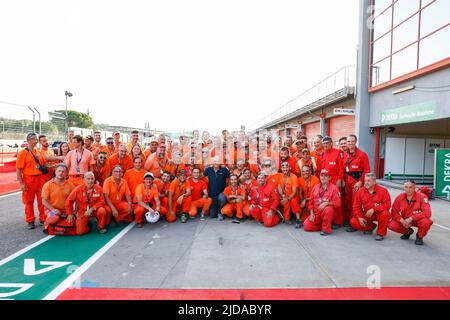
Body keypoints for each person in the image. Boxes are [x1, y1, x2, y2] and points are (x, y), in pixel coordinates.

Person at [16, 133, 47, 229]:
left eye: (37, 139)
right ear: (29, 140)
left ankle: (43, 218)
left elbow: (43, 164)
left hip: (40, 178)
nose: (37, 141)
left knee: (42, 200)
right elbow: (18, 169)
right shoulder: (22, 153)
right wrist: (21, 183)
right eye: (35, 139)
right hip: (28, 179)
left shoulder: (38, 151)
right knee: (28, 201)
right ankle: (30, 220)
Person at [388, 180, 433, 245]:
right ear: (403, 188)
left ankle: (419, 236)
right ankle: (408, 232)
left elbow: (427, 213)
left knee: (426, 222)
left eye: (410, 187)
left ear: (415, 188)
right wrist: (402, 221)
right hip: (405, 220)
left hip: (418, 220)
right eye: (406, 187)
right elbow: (394, 212)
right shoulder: (400, 197)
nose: (408, 189)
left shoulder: (422, 197)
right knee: (391, 225)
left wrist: (411, 218)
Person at [350, 173, 391, 241]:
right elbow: (356, 206)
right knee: (353, 221)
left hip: (379, 214)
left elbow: (387, 204)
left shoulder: (383, 191)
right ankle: (371, 227)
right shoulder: (360, 191)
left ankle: (380, 233)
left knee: (386, 214)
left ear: (374, 182)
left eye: (368, 181)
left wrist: (374, 209)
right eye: (365, 181)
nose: (366, 183)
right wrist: (359, 217)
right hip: (367, 214)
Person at [343, 135, 371, 231]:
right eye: (348, 141)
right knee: (347, 202)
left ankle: (353, 223)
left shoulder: (362, 155)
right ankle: (348, 220)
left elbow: (367, 171)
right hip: (347, 182)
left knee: (355, 203)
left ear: (356, 142)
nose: (350, 143)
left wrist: (360, 182)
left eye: (352, 141)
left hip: (356, 182)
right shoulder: (345, 154)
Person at [304, 169, 341, 236]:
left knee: (328, 209)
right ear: (319, 177)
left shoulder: (334, 188)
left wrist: (327, 203)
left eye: (326, 176)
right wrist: (312, 213)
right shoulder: (315, 187)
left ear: (329, 178)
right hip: (316, 213)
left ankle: (326, 229)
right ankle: (324, 225)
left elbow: (338, 203)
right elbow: (311, 202)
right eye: (322, 175)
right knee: (306, 226)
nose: (323, 177)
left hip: (327, 213)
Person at [318, 136, 344, 227]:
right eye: (324, 143)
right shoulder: (322, 154)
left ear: (331, 143)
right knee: (327, 200)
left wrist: (340, 179)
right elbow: (321, 168)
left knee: (336, 201)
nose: (325, 145)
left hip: (335, 180)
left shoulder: (338, 152)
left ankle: (338, 221)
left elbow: (341, 168)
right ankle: (329, 219)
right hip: (325, 181)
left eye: (327, 143)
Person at [41, 164, 75, 233]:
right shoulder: (48, 184)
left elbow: (75, 200)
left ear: (66, 174)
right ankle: (46, 225)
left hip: (66, 211)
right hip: (51, 210)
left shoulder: (70, 185)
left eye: (63, 172)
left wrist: (71, 212)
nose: (60, 173)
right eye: (59, 171)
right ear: (55, 172)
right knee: (54, 217)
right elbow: (44, 201)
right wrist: (53, 210)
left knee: (74, 221)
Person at [277, 162, 302, 227]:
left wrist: (287, 199)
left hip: (293, 196)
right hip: (284, 196)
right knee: (282, 202)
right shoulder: (280, 176)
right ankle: (286, 218)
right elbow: (279, 186)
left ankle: (298, 220)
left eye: (286, 166)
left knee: (293, 201)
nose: (285, 168)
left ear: (290, 168)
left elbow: (294, 192)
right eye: (283, 166)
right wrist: (282, 195)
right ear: (281, 169)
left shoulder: (294, 177)